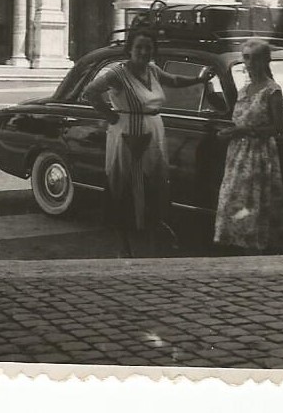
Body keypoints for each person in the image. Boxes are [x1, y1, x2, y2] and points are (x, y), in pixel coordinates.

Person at [84, 28, 204, 257]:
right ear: (130, 48)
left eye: (148, 47)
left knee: (152, 185)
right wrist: (110, 116)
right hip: (128, 135)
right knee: (126, 186)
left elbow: (174, 80)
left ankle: (151, 242)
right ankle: (124, 248)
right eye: (139, 47)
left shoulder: (152, 70)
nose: (143, 51)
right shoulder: (118, 73)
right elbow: (90, 92)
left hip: (154, 132)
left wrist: (199, 79)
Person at [214, 38, 283, 253]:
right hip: (237, 155)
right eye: (246, 58)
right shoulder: (244, 90)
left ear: (266, 60)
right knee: (234, 201)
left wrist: (246, 131)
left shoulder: (272, 90)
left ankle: (253, 250)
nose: (250, 63)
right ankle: (236, 246)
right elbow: (239, 121)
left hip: (259, 155)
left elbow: (279, 128)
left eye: (256, 58)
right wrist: (229, 132)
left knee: (253, 203)